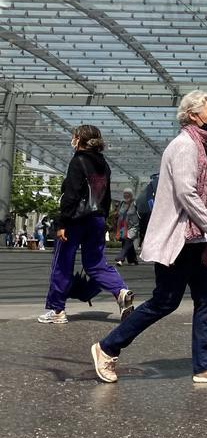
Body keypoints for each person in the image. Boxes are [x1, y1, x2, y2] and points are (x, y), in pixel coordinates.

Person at [91, 90, 207, 385]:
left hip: (199, 243)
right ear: (194, 115)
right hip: (181, 240)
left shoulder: (204, 150)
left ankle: (206, 365)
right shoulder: (184, 146)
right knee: (164, 302)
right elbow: (186, 193)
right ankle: (107, 348)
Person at [37, 125, 133, 325]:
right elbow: (105, 197)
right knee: (96, 264)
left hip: (74, 220)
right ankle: (120, 291)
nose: (72, 139)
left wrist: (62, 222)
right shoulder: (103, 165)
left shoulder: (78, 161)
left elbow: (71, 194)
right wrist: (103, 217)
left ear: (79, 139)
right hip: (96, 220)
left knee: (62, 264)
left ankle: (57, 310)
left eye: (73, 136)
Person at [114, 189, 140, 266]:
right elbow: (119, 214)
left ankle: (120, 258)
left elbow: (140, 213)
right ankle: (133, 260)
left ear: (131, 195)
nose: (126, 195)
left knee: (128, 241)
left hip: (134, 227)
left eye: (128, 193)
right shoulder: (122, 203)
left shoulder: (136, 203)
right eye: (125, 193)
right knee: (127, 243)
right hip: (123, 227)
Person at [136, 172, 159, 245]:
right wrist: (153, 210)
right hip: (149, 211)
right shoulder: (155, 183)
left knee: (145, 229)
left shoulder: (150, 184)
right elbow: (150, 198)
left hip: (142, 210)